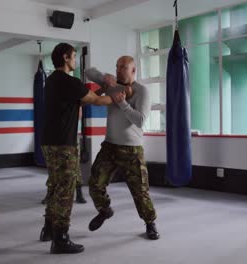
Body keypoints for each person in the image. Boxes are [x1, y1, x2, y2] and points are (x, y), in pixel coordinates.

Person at [39, 43, 113, 254]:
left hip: (49, 141)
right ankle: (61, 238)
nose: (76, 61)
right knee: (66, 189)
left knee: (55, 185)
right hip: (63, 143)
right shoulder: (68, 81)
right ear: (65, 58)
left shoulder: (53, 80)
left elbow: (82, 100)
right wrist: (118, 96)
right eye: (73, 57)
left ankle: (48, 230)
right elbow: (97, 101)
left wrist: (104, 88)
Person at [84, 56, 160, 240]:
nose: (119, 70)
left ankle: (150, 223)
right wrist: (106, 78)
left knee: (140, 191)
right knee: (94, 183)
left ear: (133, 70)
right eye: (117, 67)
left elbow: (140, 120)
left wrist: (122, 102)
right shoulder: (113, 83)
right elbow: (88, 72)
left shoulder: (142, 91)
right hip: (110, 146)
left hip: (132, 149)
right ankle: (104, 210)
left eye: (123, 67)